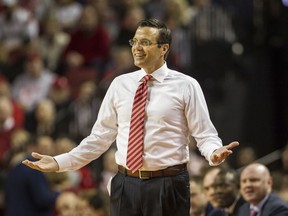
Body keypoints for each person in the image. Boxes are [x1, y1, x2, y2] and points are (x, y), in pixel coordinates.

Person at [22, 18, 239, 216]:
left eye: (144, 42)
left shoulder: (186, 85)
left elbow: (204, 134)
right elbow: (99, 138)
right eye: (134, 41)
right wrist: (60, 161)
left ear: (164, 48)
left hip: (168, 184)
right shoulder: (119, 84)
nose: (136, 47)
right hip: (124, 184)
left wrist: (213, 152)